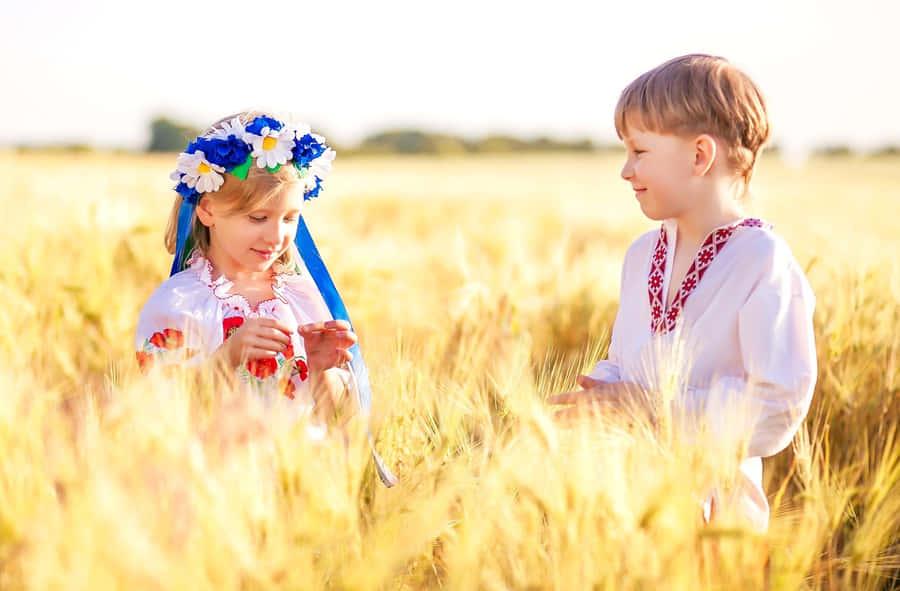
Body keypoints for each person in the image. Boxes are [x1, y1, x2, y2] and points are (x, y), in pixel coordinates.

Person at [549, 54, 817, 532]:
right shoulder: (641, 255)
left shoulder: (762, 261)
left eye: (639, 151)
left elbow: (778, 407)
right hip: (627, 513)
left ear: (699, 156)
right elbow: (629, 364)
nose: (625, 170)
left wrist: (653, 410)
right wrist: (597, 398)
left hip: (715, 529)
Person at [135, 111, 357, 426]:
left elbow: (335, 420)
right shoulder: (179, 302)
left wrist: (322, 369)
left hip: (297, 455)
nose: (276, 236)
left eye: (289, 218)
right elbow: (163, 413)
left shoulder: (303, 297)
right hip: (215, 457)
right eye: (258, 218)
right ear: (208, 210)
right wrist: (227, 358)